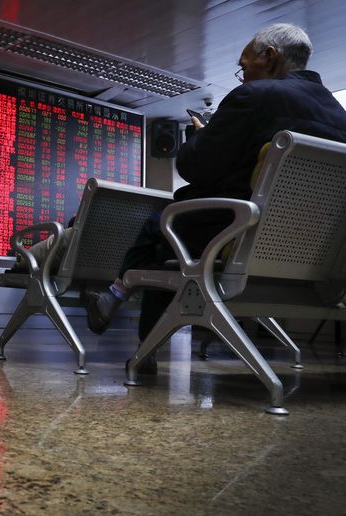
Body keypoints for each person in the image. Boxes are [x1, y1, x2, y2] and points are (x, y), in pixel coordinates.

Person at [84, 23, 346, 368]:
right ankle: (117, 300)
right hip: (315, 257)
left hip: (240, 236)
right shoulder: (341, 119)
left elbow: (194, 167)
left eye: (244, 67)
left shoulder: (252, 98)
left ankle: (135, 336)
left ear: (269, 57)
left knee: (164, 228)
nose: (243, 76)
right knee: (170, 229)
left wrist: (200, 137)